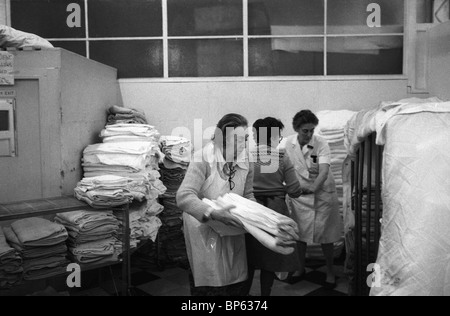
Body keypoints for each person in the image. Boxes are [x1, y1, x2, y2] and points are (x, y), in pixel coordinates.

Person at [176, 113, 255, 296]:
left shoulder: (246, 160)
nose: (242, 145)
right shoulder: (202, 158)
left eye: (245, 139)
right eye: (236, 140)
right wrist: (213, 213)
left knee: (234, 280)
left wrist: (255, 216)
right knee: (209, 283)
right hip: (203, 228)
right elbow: (184, 196)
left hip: (232, 227)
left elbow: (248, 194)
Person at [244, 117, 304, 296]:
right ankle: (265, 294)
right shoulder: (282, 156)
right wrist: (281, 188)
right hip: (274, 210)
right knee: (270, 257)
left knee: (249, 256)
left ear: (257, 134)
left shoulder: (246, 156)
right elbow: (295, 190)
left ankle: (244, 295)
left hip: (250, 209)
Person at [284, 110, 344, 289]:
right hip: (300, 195)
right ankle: (299, 268)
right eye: (305, 131)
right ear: (297, 129)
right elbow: (285, 168)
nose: (309, 134)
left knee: (326, 235)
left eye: (312, 130)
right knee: (299, 234)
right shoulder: (288, 144)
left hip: (322, 193)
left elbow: (324, 170)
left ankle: (330, 271)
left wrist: (314, 187)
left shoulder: (321, 143)